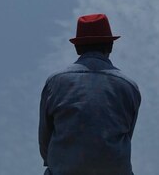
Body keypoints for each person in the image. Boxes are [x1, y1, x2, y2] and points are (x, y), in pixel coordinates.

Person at [38, 13, 141, 175]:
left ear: (78, 48)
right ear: (110, 46)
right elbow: (127, 135)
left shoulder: (55, 82)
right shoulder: (128, 86)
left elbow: (45, 140)